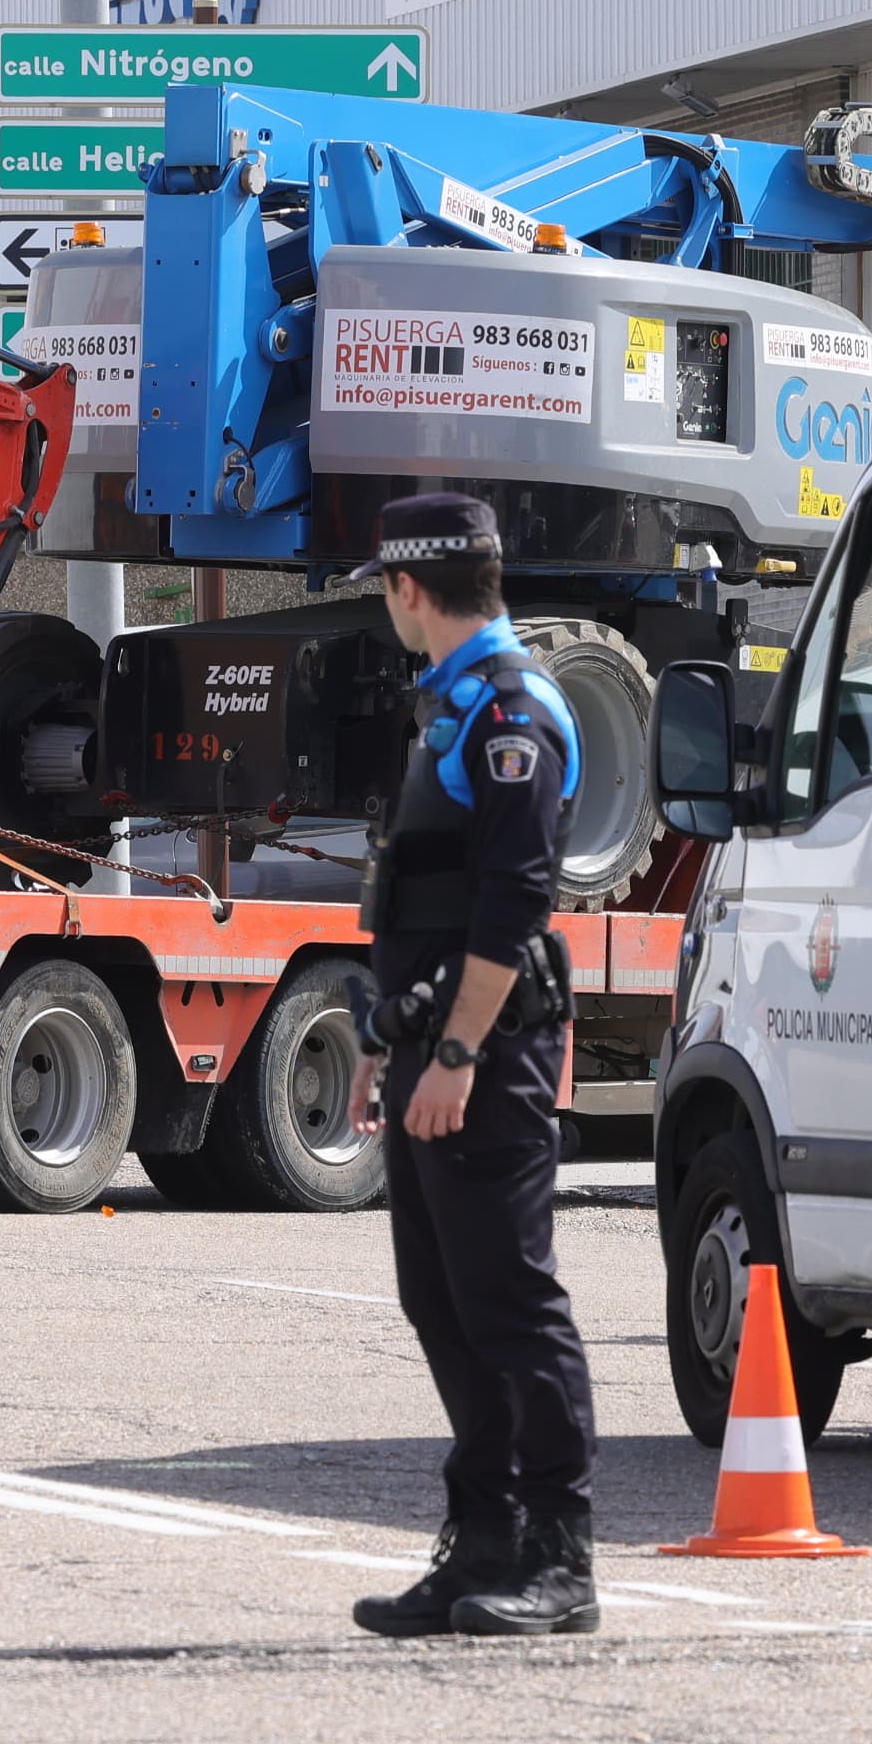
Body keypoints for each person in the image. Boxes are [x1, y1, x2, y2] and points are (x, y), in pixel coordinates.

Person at [345, 492, 600, 1640]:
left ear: (409, 588)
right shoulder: (451, 704)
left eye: (383, 591)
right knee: (437, 1295)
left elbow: (512, 906)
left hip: (484, 1052)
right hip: (430, 1047)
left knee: (508, 1296)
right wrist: (384, 1047)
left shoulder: (510, 711)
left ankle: (559, 1555)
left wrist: (451, 1052)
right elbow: (426, 905)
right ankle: (482, 1540)